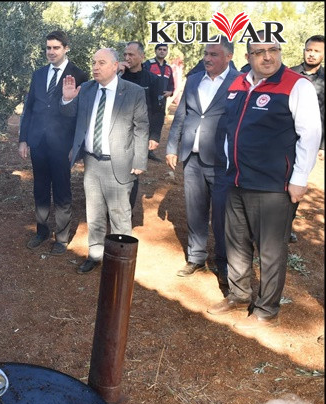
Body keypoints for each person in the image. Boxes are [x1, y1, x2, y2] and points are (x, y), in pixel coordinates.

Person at [206, 31, 321, 329]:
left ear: (280, 52)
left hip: (273, 185)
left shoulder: (297, 85)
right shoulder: (238, 83)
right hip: (235, 180)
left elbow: (309, 135)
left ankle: (266, 309)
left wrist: (298, 179)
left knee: (270, 251)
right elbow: (228, 126)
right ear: (248, 57)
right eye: (259, 52)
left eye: (273, 50)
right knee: (236, 244)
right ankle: (239, 294)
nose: (267, 56)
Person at [61, 48, 148, 274]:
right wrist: (67, 99)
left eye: (101, 62)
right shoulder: (88, 89)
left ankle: (120, 260)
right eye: (93, 62)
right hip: (92, 163)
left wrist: (139, 160)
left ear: (115, 65)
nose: (95, 67)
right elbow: (71, 116)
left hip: (119, 163)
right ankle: (95, 253)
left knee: (120, 215)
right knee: (95, 212)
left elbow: (141, 128)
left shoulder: (133, 91)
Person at [165, 39, 240, 297]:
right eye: (206, 54)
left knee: (222, 217)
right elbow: (182, 115)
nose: (207, 58)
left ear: (228, 56)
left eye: (214, 54)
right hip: (192, 158)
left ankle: (224, 265)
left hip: (222, 162)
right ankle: (196, 257)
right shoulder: (195, 80)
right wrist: (172, 147)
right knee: (194, 210)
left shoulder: (239, 82)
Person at [19, 30, 87, 255]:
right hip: (38, 142)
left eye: (56, 47)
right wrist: (23, 139)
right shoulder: (38, 74)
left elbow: (80, 116)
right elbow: (29, 108)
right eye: (48, 47)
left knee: (62, 190)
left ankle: (62, 236)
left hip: (62, 145)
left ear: (66, 48)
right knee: (40, 188)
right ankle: (41, 230)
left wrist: (75, 148)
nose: (51, 52)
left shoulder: (79, 74)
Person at [119, 41, 165, 210]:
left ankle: (127, 210)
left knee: (132, 174)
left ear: (142, 57)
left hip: (139, 133)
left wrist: (154, 135)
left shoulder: (152, 80)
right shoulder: (119, 77)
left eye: (131, 54)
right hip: (117, 132)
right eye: (125, 55)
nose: (127, 58)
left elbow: (159, 110)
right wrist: (116, 73)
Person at [289, 35, 325, 243]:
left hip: (310, 142)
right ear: (304, 50)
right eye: (309, 49)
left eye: (317, 51)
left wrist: (322, 146)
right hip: (284, 139)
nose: (311, 54)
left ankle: (286, 224)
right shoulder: (288, 74)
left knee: (298, 180)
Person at [144, 43, 175, 161]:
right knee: (146, 123)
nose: (162, 51)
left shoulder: (168, 68)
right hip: (148, 100)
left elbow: (171, 84)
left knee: (157, 124)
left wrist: (170, 92)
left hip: (162, 102)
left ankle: (150, 151)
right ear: (155, 51)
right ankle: (142, 149)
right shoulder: (148, 64)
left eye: (164, 50)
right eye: (160, 49)